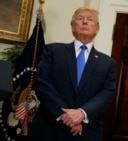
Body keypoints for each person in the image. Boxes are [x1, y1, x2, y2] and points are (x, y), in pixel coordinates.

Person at [27, 7, 116, 141]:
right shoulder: (52, 51)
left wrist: (82, 113)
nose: (85, 22)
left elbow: (107, 92)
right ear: (72, 26)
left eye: (90, 19)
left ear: (97, 28)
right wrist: (65, 116)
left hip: (86, 132)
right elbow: (42, 82)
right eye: (80, 18)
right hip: (49, 129)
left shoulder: (107, 62)